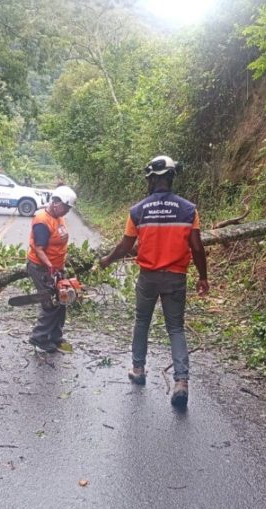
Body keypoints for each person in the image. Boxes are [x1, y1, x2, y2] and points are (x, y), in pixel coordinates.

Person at [100, 155, 209, 408]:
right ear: (171, 178)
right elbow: (197, 247)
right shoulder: (188, 209)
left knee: (142, 322)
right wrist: (203, 276)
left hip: (147, 277)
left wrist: (107, 260)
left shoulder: (137, 211)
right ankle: (181, 382)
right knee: (176, 329)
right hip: (175, 278)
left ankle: (138, 370)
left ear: (150, 179)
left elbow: (125, 245)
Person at [26, 185, 77, 353]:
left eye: (69, 209)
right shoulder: (42, 220)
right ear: (55, 202)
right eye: (65, 207)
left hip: (57, 266)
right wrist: (50, 267)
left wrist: (61, 264)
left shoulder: (59, 217)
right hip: (42, 267)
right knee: (50, 302)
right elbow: (39, 249)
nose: (67, 211)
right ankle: (39, 338)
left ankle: (55, 336)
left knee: (63, 300)